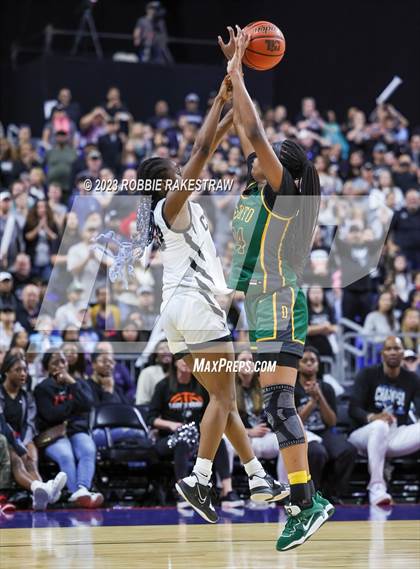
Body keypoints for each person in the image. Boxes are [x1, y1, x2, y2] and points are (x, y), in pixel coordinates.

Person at [138, 75, 287, 523]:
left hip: (180, 314)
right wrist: (219, 107)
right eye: (175, 167)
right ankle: (201, 479)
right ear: (166, 179)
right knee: (223, 402)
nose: (182, 168)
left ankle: (258, 476)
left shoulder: (172, 209)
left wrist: (226, 104)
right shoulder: (173, 203)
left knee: (225, 402)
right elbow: (201, 153)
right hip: (195, 309)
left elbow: (208, 144)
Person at [221, 27, 332, 550]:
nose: (251, 161)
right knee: (276, 406)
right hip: (266, 304)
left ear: (280, 169)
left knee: (279, 405)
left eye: (260, 159)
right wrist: (232, 76)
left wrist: (240, 69)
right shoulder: (264, 193)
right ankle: (306, 501)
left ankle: (307, 501)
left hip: (281, 303)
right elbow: (245, 132)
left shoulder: (284, 192)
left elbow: (253, 131)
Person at [148, 359, 243, 509]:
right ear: (175, 362)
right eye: (183, 358)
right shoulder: (163, 386)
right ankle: (183, 493)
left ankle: (227, 492)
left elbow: (211, 413)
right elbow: (151, 418)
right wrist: (171, 425)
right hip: (168, 438)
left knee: (218, 441)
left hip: (197, 436)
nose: (187, 361)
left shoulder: (201, 385)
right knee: (182, 442)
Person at [349, 336, 420, 505]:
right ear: (382, 354)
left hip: (394, 436)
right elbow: (353, 409)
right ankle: (377, 488)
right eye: (389, 349)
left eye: (397, 349)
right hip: (363, 436)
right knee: (380, 426)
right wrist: (373, 417)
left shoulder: (412, 379)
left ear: (403, 353)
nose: (393, 352)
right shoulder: (367, 374)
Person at [34, 348, 103, 508]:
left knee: (88, 450)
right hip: (54, 434)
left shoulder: (78, 383)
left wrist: (72, 383)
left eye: (63, 361)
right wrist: (73, 404)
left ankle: (82, 490)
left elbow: (88, 404)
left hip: (76, 431)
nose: (60, 365)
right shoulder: (43, 388)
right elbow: (51, 415)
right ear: (47, 367)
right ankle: (74, 494)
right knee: (66, 455)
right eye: (55, 362)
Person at [0, 353, 67, 510]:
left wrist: (24, 442)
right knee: (17, 460)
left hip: (22, 438)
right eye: (18, 370)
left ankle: (40, 496)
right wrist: (18, 445)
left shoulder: (27, 396)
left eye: (25, 370)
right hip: (5, 437)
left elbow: (29, 424)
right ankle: (43, 489)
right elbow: (2, 424)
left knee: (31, 460)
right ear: (6, 372)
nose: (23, 374)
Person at [295, 347, 357, 499]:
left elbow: (332, 422)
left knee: (347, 450)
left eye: (313, 361)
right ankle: (313, 496)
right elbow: (295, 422)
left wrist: (320, 397)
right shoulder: (292, 389)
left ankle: (334, 494)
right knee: (317, 452)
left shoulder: (327, 388)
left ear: (318, 365)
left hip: (324, 431)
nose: (309, 363)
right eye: (305, 360)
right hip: (302, 433)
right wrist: (312, 402)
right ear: (298, 365)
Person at [136, 339, 172, 405]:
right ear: (156, 356)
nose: (166, 351)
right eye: (161, 349)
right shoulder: (147, 372)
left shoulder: (181, 372)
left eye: (169, 347)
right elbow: (141, 401)